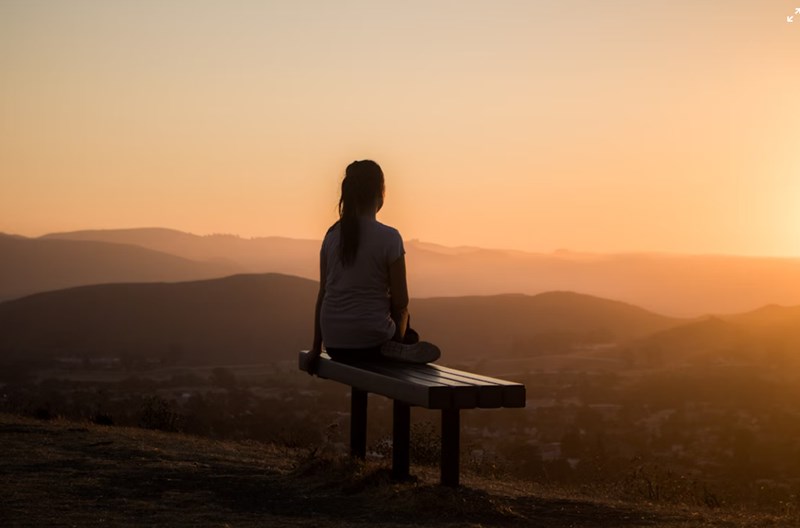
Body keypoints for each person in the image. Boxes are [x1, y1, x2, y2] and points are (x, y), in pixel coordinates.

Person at [306, 160, 440, 375]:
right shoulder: (390, 238)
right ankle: (401, 347)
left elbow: (323, 294)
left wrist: (316, 347)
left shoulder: (331, 236)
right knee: (408, 328)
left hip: (335, 345)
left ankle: (401, 345)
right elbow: (401, 302)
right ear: (380, 193)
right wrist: (398, 339)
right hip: (372, 345)